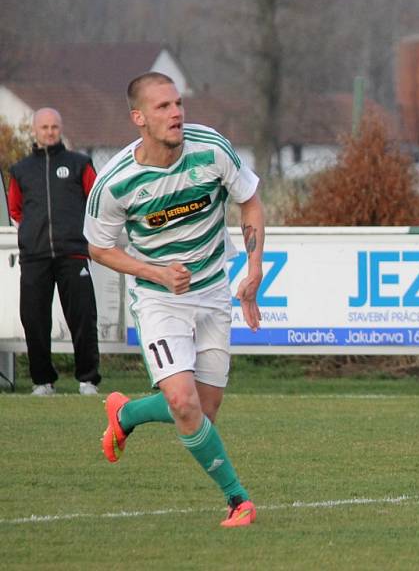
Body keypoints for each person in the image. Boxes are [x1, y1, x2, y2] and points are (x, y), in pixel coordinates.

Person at [83, 72, 265, 527]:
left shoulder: (213, 150)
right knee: (184, 404)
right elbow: (99, 247)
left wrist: (255, 268)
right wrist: (157, 273)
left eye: (178, 103)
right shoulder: (115, 183)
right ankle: (237, 499)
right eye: (163, 107)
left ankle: (126, 412)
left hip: (214, 293)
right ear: (138, 118)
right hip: (160, 299)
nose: (176, 113)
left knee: (205, 410)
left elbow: (251, 199)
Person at [8, 107, 101, 396]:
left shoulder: (79, 164)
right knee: (34, 319)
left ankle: (87, 380)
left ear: (61, 129)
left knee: (83, 316)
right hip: (34, 257)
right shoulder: (20, 170)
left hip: (73, 253)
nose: (49, 132)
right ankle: (42, 381)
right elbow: (15, 211)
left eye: (54, 127)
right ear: (35, 131)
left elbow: (97, 202)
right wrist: (35, 234)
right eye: (44, 127)